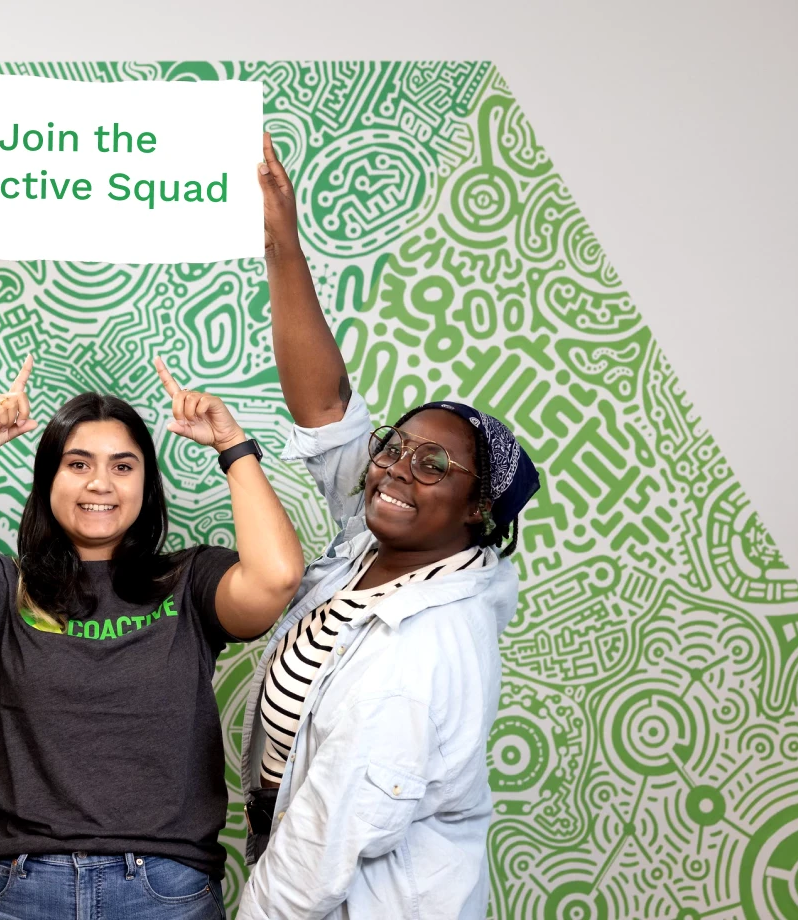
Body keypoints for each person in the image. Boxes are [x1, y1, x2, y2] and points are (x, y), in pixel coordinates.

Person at [235, 134, 542, 920]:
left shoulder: (422, 646)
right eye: (396, 449)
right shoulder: (375, 547)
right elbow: (327, 412)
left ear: (478, 509)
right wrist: (281, 238)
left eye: (435, 465)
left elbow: (323, 845)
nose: (399, 470)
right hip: (303, 865)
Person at [0, 356, 307, 920]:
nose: (99, 482)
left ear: (146, 486)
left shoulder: (190, 581)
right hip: (17, 890)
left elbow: (277, 577)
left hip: (164, 892)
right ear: (48, 480)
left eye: (123, 466)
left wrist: (231, 445)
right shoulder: (2, 588)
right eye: (77, 463)